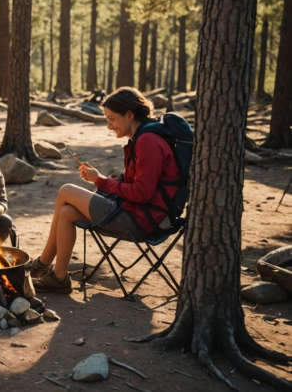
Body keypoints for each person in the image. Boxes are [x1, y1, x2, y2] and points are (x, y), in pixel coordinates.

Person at [29, 87, 181, 293]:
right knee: (66, 213)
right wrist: (108, 180)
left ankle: (42, 263)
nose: (109, 126)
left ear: (129, 115)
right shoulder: (142, 137)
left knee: (66, 190)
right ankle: (59, 277)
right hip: (133, 211)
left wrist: (100, 181)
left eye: (111, 119)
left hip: (141, 220)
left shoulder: (148, 141)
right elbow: (139, 185)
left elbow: (141, 193)